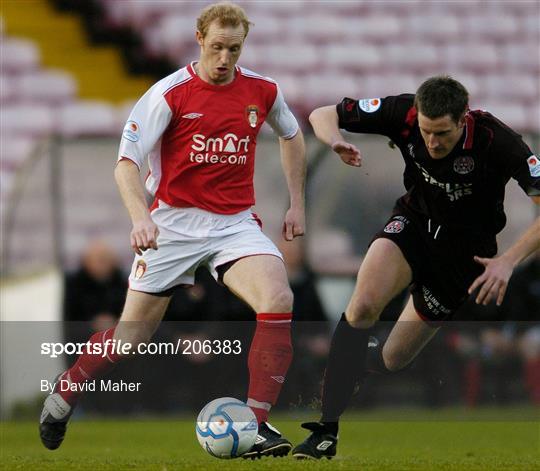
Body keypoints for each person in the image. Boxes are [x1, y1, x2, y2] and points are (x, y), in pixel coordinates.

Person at [40, 2, 306, 459]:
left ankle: (255, 423)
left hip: (234, 224)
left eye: (235, 49)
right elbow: (126, 165)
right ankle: (66, 390)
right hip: (171, 225)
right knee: (129, 339)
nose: (225, 58)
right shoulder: (169, 93)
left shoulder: (262, 91)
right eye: (218, 47)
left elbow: (292, 134)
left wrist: (297, 202)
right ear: (200, 39)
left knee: (278, 298)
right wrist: (140, 217)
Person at [292, 76, 540, 459]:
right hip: (413, 225)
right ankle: (326, 430)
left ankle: (355, 359)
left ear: (463, 120)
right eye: (426, 131)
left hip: (464, 258)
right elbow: (323, 114)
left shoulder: (498, 141)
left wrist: (508, 261)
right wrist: (333, 140)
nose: (432, 142)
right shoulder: (403, 112)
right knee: (361, 306)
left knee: (393, 359)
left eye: (442, 133)